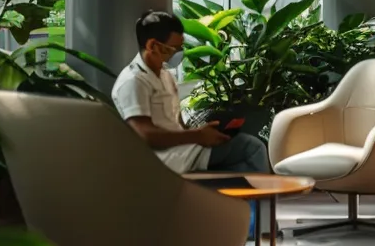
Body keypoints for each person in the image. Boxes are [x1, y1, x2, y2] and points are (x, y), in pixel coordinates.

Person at [112, 11, 270, 175]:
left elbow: (178, 124)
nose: (179, 53)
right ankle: (253, 196)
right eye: (174, 48)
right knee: (251, 149)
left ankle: (222, 195)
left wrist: (208, 133)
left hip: (185, 150)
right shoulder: (133, 81)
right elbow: (144, 135)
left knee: (241, 166)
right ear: (153, 46)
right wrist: (197, 137)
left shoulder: (165, 75)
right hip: (165, 158)